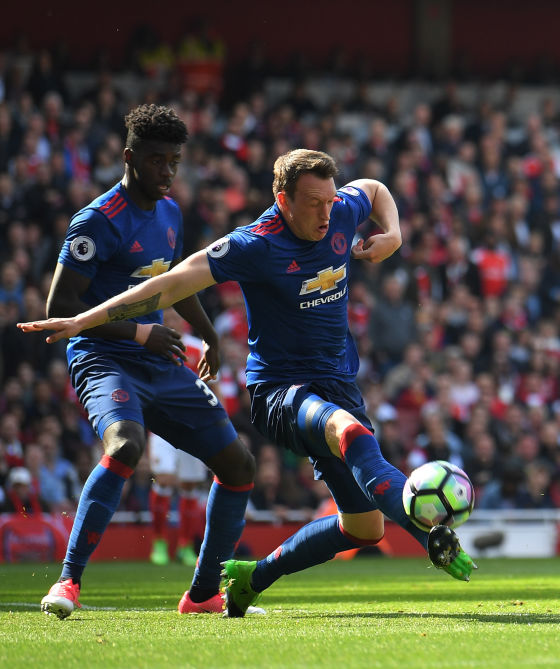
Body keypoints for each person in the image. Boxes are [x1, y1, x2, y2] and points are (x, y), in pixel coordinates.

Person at [21, 148, 476, 619]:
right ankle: (427, 533)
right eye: (314, 203)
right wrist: (84, 320)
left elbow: (376, 189)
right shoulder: (255, 244)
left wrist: (394, 233)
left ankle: (249, 580)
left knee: (365, 528)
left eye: (330, 200)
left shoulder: (341, 210)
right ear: (283, 200)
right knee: (350, 433)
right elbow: (170, 284)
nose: (327, 213)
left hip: (338, 386)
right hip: (281, 392)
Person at [33, 104, 255, 619]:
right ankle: (68, 581)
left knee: (239, 466)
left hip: (158, 360)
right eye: (157, 160)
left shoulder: (170, 212)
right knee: (127, 445)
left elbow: (172, 283)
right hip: (103, 357)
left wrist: (208, 335)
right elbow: (60, 310)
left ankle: (202, 595)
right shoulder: (96, 222)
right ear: (130, 157)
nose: (168, 171)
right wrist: (139, 332)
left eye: (174, 161)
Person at [147, 310, 217, 567]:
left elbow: (212, 384)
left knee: (189, 484)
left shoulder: (197, 348)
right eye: (167, 317)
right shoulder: (152, 344)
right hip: (162, 422)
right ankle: (159, 542)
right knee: (164, 478)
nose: (171, 322)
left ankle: (185, 545)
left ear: (183, 321)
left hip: (193, 423)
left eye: (176, 317)